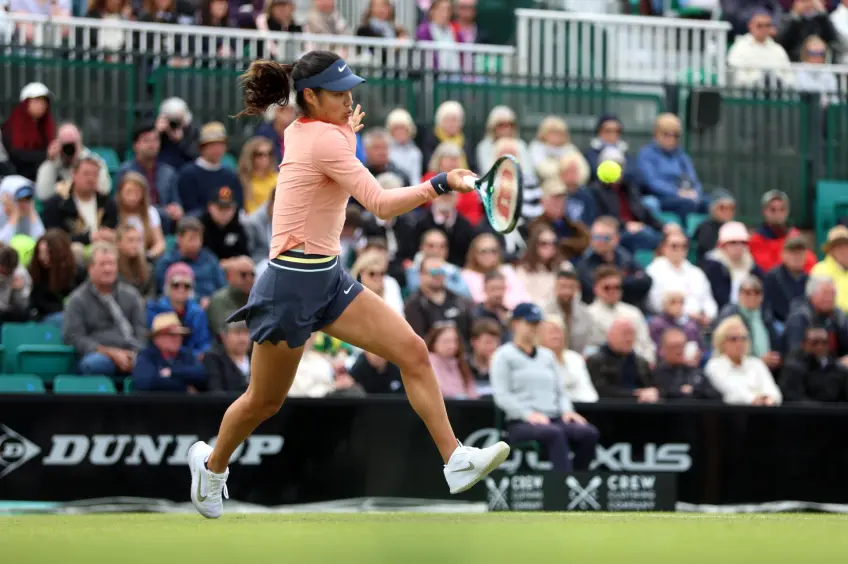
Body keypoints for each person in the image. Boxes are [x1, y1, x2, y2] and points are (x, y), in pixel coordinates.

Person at [187, 52, 509, 520]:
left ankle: (455, 459)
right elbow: (379, 204)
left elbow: (330, 152)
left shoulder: (305, 128)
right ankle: (211, 466)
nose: (348, 99)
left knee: (414, 352)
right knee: (264, 401)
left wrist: (343, 131)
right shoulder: (322, 139)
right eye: (338, 93)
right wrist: (441, 182)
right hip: (289, 287)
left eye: (349, 90)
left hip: (329, 277)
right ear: (311, 97)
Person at [490, 303, 600, 472]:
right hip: (519, 422)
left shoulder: (547, 356)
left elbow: (560, 391)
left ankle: (577, 481)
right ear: (515, 324)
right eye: (530, 323)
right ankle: (563, 486)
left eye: (537, 324)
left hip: (554, 417)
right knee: (555, 433)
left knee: (588, 433)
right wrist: (528, 414)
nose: (535, 328)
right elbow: (502, 395)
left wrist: (567, 411)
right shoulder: (503, 355)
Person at [704, 315, 783, 405]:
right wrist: (755, 398)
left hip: (764, 414)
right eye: (733, 339)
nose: (740, 343)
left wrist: (770, 399)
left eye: (743, 338)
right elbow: (730, 394)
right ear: (721, 341)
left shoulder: (756, 363)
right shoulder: (714, 366)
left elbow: (775, 393)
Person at [132, 312, 207, 393]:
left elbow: (201, 375)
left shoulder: (186, 354)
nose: (177, 339)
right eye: (171, 335)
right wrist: (184, 388)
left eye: (179, 335)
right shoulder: (146, 355)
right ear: (157, 338)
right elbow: (145, 383)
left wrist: (171, 372)